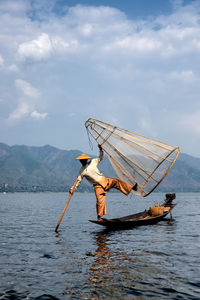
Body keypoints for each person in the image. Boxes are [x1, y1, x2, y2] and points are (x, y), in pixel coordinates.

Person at [70, 144, 137, 221]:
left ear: (86, 159)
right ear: (80, 161)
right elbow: (78, 181)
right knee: (99, 201)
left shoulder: (92, 162)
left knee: (117, 182)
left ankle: (131, 188)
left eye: (83, 160)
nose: (82, 161)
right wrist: (72, 189)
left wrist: (101, 150)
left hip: (104, 180)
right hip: (97, 186)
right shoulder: (81, 171)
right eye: (81, 161)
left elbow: (100, 157)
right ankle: (99, 218)